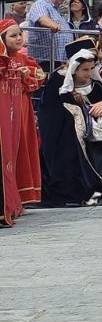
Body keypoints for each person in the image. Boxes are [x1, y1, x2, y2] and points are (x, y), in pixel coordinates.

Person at [38, 45, 102, 207]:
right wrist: (85, 115)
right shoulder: (58, 84)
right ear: (74, 69)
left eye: (91, 69)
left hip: (99, 131)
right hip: (70, 134)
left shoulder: (96, 85)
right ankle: (92, 189)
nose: (89, 73)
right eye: (85, 70)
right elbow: (51, 113)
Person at [0, 15, 43, 225]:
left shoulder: (23, 59)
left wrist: (24, 76)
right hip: (5, 112)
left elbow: (39, 77)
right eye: (13, 35)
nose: (19, 38)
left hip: (21, 111)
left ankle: (19, 200)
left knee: (21, 152)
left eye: (20, 34)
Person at [25, 0, 71, 84]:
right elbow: (42, 19)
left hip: (57, 61)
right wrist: (54, 25)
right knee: (43, 87)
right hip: (44, 61)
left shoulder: (56, 9)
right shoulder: (41, 3)